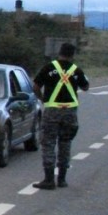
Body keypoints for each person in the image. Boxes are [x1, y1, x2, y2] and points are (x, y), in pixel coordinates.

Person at [32, 42, 89, 190]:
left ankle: (49, 179)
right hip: (70, 112)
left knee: (48, 143)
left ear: (60, 52)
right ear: (73, 55)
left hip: (52, 110)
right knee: (65, 143)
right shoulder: (76, 70)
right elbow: (85, 86)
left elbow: (36, 86)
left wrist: (42, 98)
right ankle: (62, 179)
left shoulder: (49, 67)